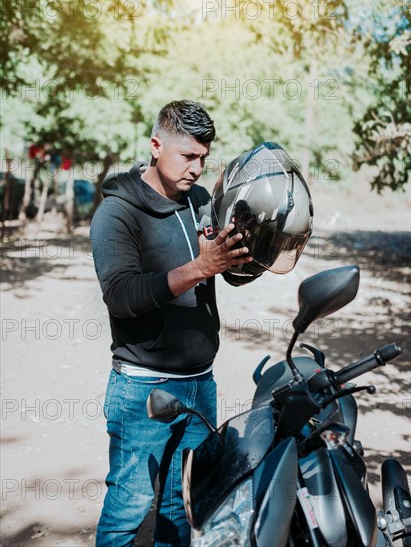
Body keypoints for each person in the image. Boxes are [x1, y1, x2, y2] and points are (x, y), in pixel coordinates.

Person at [91, 100, 313, 546]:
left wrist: (252, 252)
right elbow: (121, 296)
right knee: (127, 511)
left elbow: (224, 272)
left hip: (199, 385)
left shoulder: (199, 201)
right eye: (188, 156)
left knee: (182, 507)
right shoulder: (116, 213)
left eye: (204, 158)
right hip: (142, 390)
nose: (197, 168)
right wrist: (200, 265)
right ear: (156, 146)